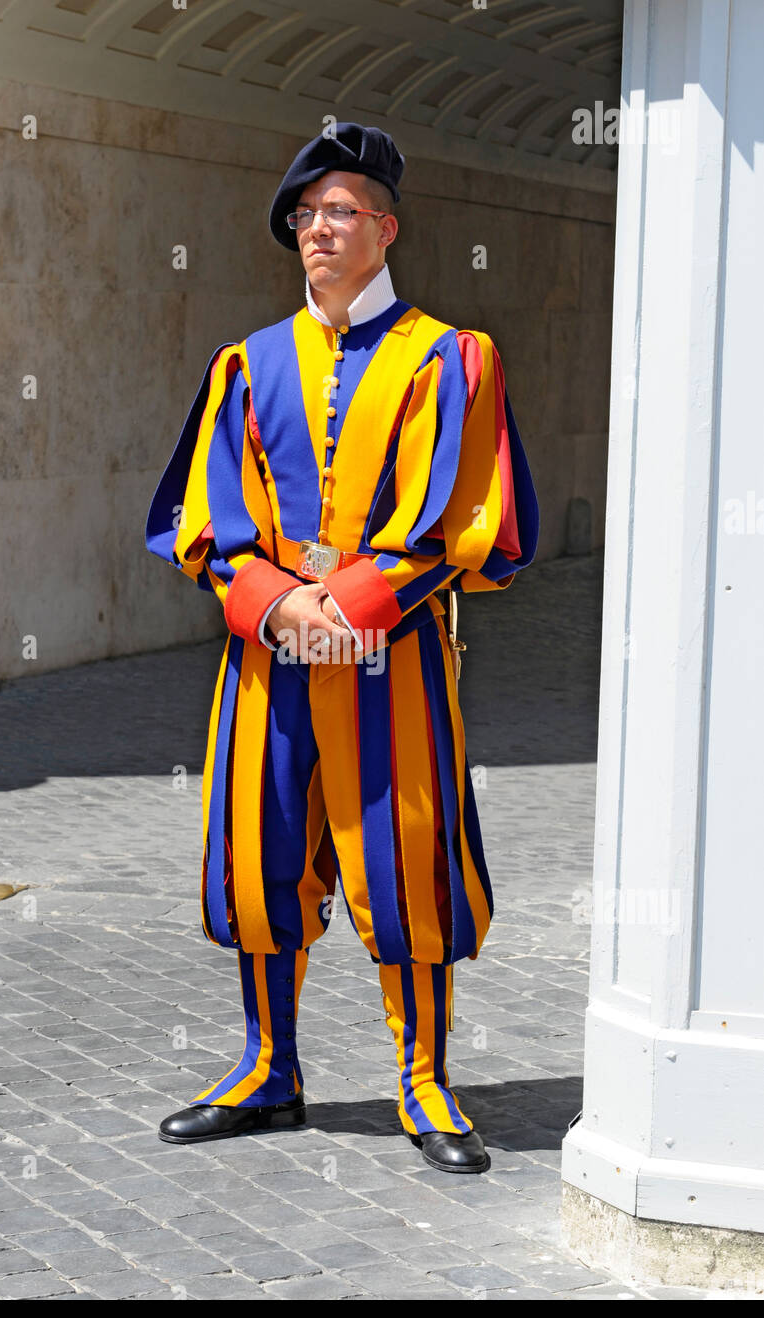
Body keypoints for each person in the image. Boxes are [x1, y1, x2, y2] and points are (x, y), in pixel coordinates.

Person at [145, 122, 539, 1174]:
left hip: (392, 660)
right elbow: (206, 517)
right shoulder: (247, 364)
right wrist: (279, 606)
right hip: (270, 663)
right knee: (260, 851)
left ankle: (423, 1081)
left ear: (386, 228)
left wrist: (351, 603)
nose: (318, 229)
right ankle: (267, 1070)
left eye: (342, 211)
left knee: (408, 861)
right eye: (306, 214)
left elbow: (458, 515)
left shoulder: (450, 358)